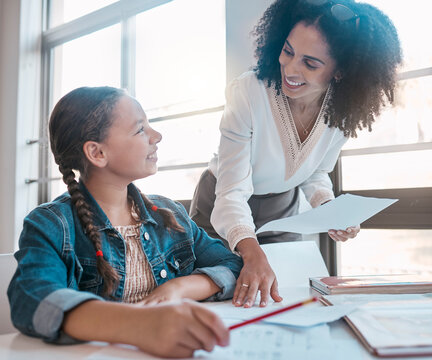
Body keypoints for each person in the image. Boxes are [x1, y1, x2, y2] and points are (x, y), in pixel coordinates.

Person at [190, 0, 402, 309]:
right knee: (216, 291)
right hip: (221, 202)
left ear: (340, 71)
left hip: (282, 208)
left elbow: (315, 172)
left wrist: (328, 208)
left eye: (310, 63)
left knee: (278, 296)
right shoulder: (248, 92)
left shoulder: (341, 112)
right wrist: (250, 250)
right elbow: (232, 191)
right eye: (288, 51)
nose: (290, 69)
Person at [7, 86, 243, 358]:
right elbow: (32, 300)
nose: (157, 136)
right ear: (97, 153)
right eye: (140, 129)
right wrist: (140, 324)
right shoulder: (51, 224)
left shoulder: (169, 214)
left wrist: (177, 287)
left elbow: (232, 265)